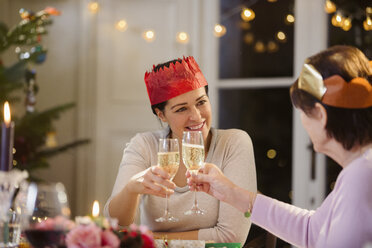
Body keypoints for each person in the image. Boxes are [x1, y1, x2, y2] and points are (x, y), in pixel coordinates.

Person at [188, 45, 372, 248]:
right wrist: (230, 191)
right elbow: (311, 230)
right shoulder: (360, 168)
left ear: (320, 114)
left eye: (303, 111)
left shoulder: (360, 174)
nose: (302, 120)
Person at [104, 56, 257, 243]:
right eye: (181, 109)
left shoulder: (234, 143)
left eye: (201, 102)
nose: (196, 116)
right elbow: (116, 227)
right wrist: (131, 189)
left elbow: (230, 239)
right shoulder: (144, 145)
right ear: (162, 115)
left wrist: (150, 238)